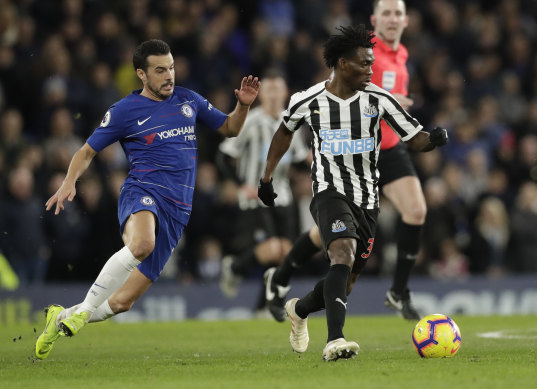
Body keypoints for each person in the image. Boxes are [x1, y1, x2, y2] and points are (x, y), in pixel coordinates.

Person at [35, 39, 260, 360]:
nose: (169, 75)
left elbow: (229, 128)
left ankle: (59, 318)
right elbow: (87, 151)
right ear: (142, 74)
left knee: (123, 302)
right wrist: (69, 180)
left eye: (171, 68)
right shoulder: (124, 110)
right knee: (142, 245)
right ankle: (83, 310)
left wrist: (244, 106)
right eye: (160, 70)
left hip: (178, 210)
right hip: (143, 192)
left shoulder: (188, 99)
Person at [257, 25, 447, 361]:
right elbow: (284, 132)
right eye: (365, 64)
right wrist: (267, 176)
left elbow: (414, 137)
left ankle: (299, 310)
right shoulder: (308, 100)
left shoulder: (378, 99)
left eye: (372, 64)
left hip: (368, 199)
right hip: (329, 191)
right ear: (342, 63)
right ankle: (335, 340)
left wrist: (434, 139)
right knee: (341, 253)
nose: (371, 71)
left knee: (344, 282)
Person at [217, 70, 309, 312]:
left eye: (277, 89)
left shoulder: (292, 122)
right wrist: (240, 185)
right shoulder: (251, 120)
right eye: (268, 90)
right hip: (255, 195)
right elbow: (224, 156)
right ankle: (235, 267)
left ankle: (263, 307)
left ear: (285, 93)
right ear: (261, 95)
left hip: (284, 195)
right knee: (272, 249)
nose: (273, 95)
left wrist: (311, 161)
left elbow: (298, 161)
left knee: (285, 253)